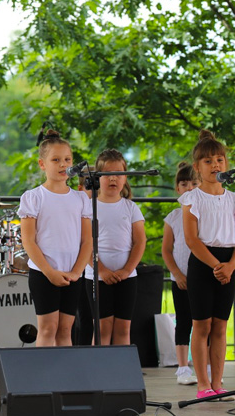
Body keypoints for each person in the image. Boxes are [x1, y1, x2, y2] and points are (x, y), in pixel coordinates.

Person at [180, 130, 235, 401]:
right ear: (197, 167)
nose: (215, 165)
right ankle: (203, 384)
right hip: (203, 264)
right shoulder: (191, 199)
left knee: (221, 325)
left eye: (219, 159)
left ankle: (219, 383)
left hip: (228, 264)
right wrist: (216, 265)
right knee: (202, 325)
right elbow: (192, 240)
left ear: (226, 164)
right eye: (208, 161)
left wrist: (230, 265)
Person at [18, 129, 93, 347]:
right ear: (42, 164)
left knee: (65, 329)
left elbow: (87, 241)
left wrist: (77, 272)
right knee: (48, 327)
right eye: (56, 160)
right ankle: (45, 379)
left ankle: (64, 379)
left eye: (67, 159)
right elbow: (29, 241)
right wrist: (50, 272)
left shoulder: (80, 198)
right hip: (44, 272)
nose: (63, 165)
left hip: (72, 274)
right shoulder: (33, 197)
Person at [82, 149, 145, 345]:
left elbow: (139, 241)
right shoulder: (88, 207)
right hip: (97, 276)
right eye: (108, 174)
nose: (113, 179)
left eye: (119, 174)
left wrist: (127, 270)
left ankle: (122, 372)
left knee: (123, 328)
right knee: (102, 327)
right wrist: (103, 270)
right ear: (98, 178)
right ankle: (99, 372)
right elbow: (84, 244)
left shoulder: (130, 207)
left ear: (125, 178)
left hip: (127, 277)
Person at [162, 161, 202, 385]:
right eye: (184, 184)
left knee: (203, 322)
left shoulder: (205, 215)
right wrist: (177, 274)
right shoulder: (173, 218)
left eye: (194, 183)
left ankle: (206, 365)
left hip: (202, 279)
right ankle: (183, 368)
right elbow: (167, 250)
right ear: (177, 188)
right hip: (181, 280)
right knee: (184, 322)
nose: (189, 188)